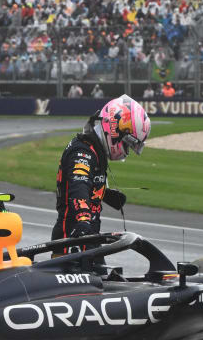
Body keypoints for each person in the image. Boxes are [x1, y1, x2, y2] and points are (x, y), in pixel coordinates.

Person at [52, 95, 150, 240]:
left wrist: (106, 193)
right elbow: (79, 186)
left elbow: (89, 182)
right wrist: (84, 219)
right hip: (71, 240)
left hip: (89, 237)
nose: (126, 150)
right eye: (127, 144)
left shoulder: (95, 151)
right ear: (114, 129)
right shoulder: (82, 152)